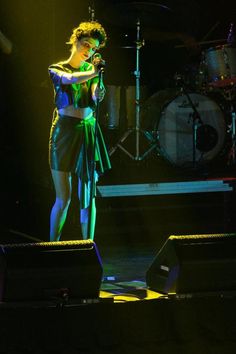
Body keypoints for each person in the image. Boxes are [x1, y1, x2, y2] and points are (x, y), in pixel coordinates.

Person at [48, 21, 111, 242]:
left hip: (87, 130)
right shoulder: (57, 69)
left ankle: (88, 247)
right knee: (63, 198)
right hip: (64, 132)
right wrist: (93, 72)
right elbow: (71, 79)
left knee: (87, 195)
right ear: (75, 40)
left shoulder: (91, 71)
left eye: (94, 48)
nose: (89, 51)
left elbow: (94, 94)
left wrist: (98, 89)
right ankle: (52, 248)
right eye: (86, 45)